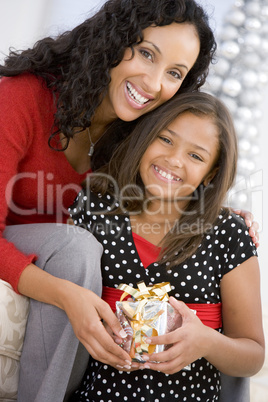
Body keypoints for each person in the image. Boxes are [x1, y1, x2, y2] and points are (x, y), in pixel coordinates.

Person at [0, 0, 257, 400]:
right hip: (26, 245)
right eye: (146, 53)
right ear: (113, 41)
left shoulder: (133, 135)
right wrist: (67, 294)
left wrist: (217, 214)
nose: (154, 83)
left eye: (174, 73)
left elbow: (173, 176)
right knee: (76, 250)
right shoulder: (21, 98)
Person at [69, 91, 265, 401]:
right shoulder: (95, 209)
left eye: (196, 156)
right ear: (145, 138)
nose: (174, 160)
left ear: (211, 174)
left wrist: (207, 342)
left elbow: (253, 355)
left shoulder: (228, 234)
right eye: (166, 140)